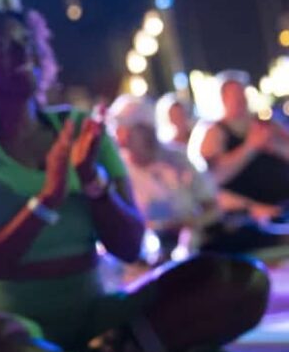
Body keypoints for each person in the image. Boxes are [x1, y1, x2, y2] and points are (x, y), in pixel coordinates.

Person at [0, 0, 268, 352]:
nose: (19, 51)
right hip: (10, 329)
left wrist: (92, 182)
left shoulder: (81, 128)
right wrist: (45, 201)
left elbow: (129, 247)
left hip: (99, 318)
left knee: (240, 282)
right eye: (0, 47)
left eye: (23, 40)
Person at [108, 94, 289, 262]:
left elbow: (212, 205)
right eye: (120, 131)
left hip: (201, 244)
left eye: (129, 131)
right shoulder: (118, 173)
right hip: (150, 254)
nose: (122, 139)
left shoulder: (179, 159)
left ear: (148, 129)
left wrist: (189, 226)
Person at [188, 70, 289, 218]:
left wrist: (274, 146)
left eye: (241, 93)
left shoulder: (266, 125)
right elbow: (213, 177)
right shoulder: (212, 131)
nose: (238, 100)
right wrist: (250, 147)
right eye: (232, 95)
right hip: (244, 217)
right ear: (222, 98)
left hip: (282, 206)